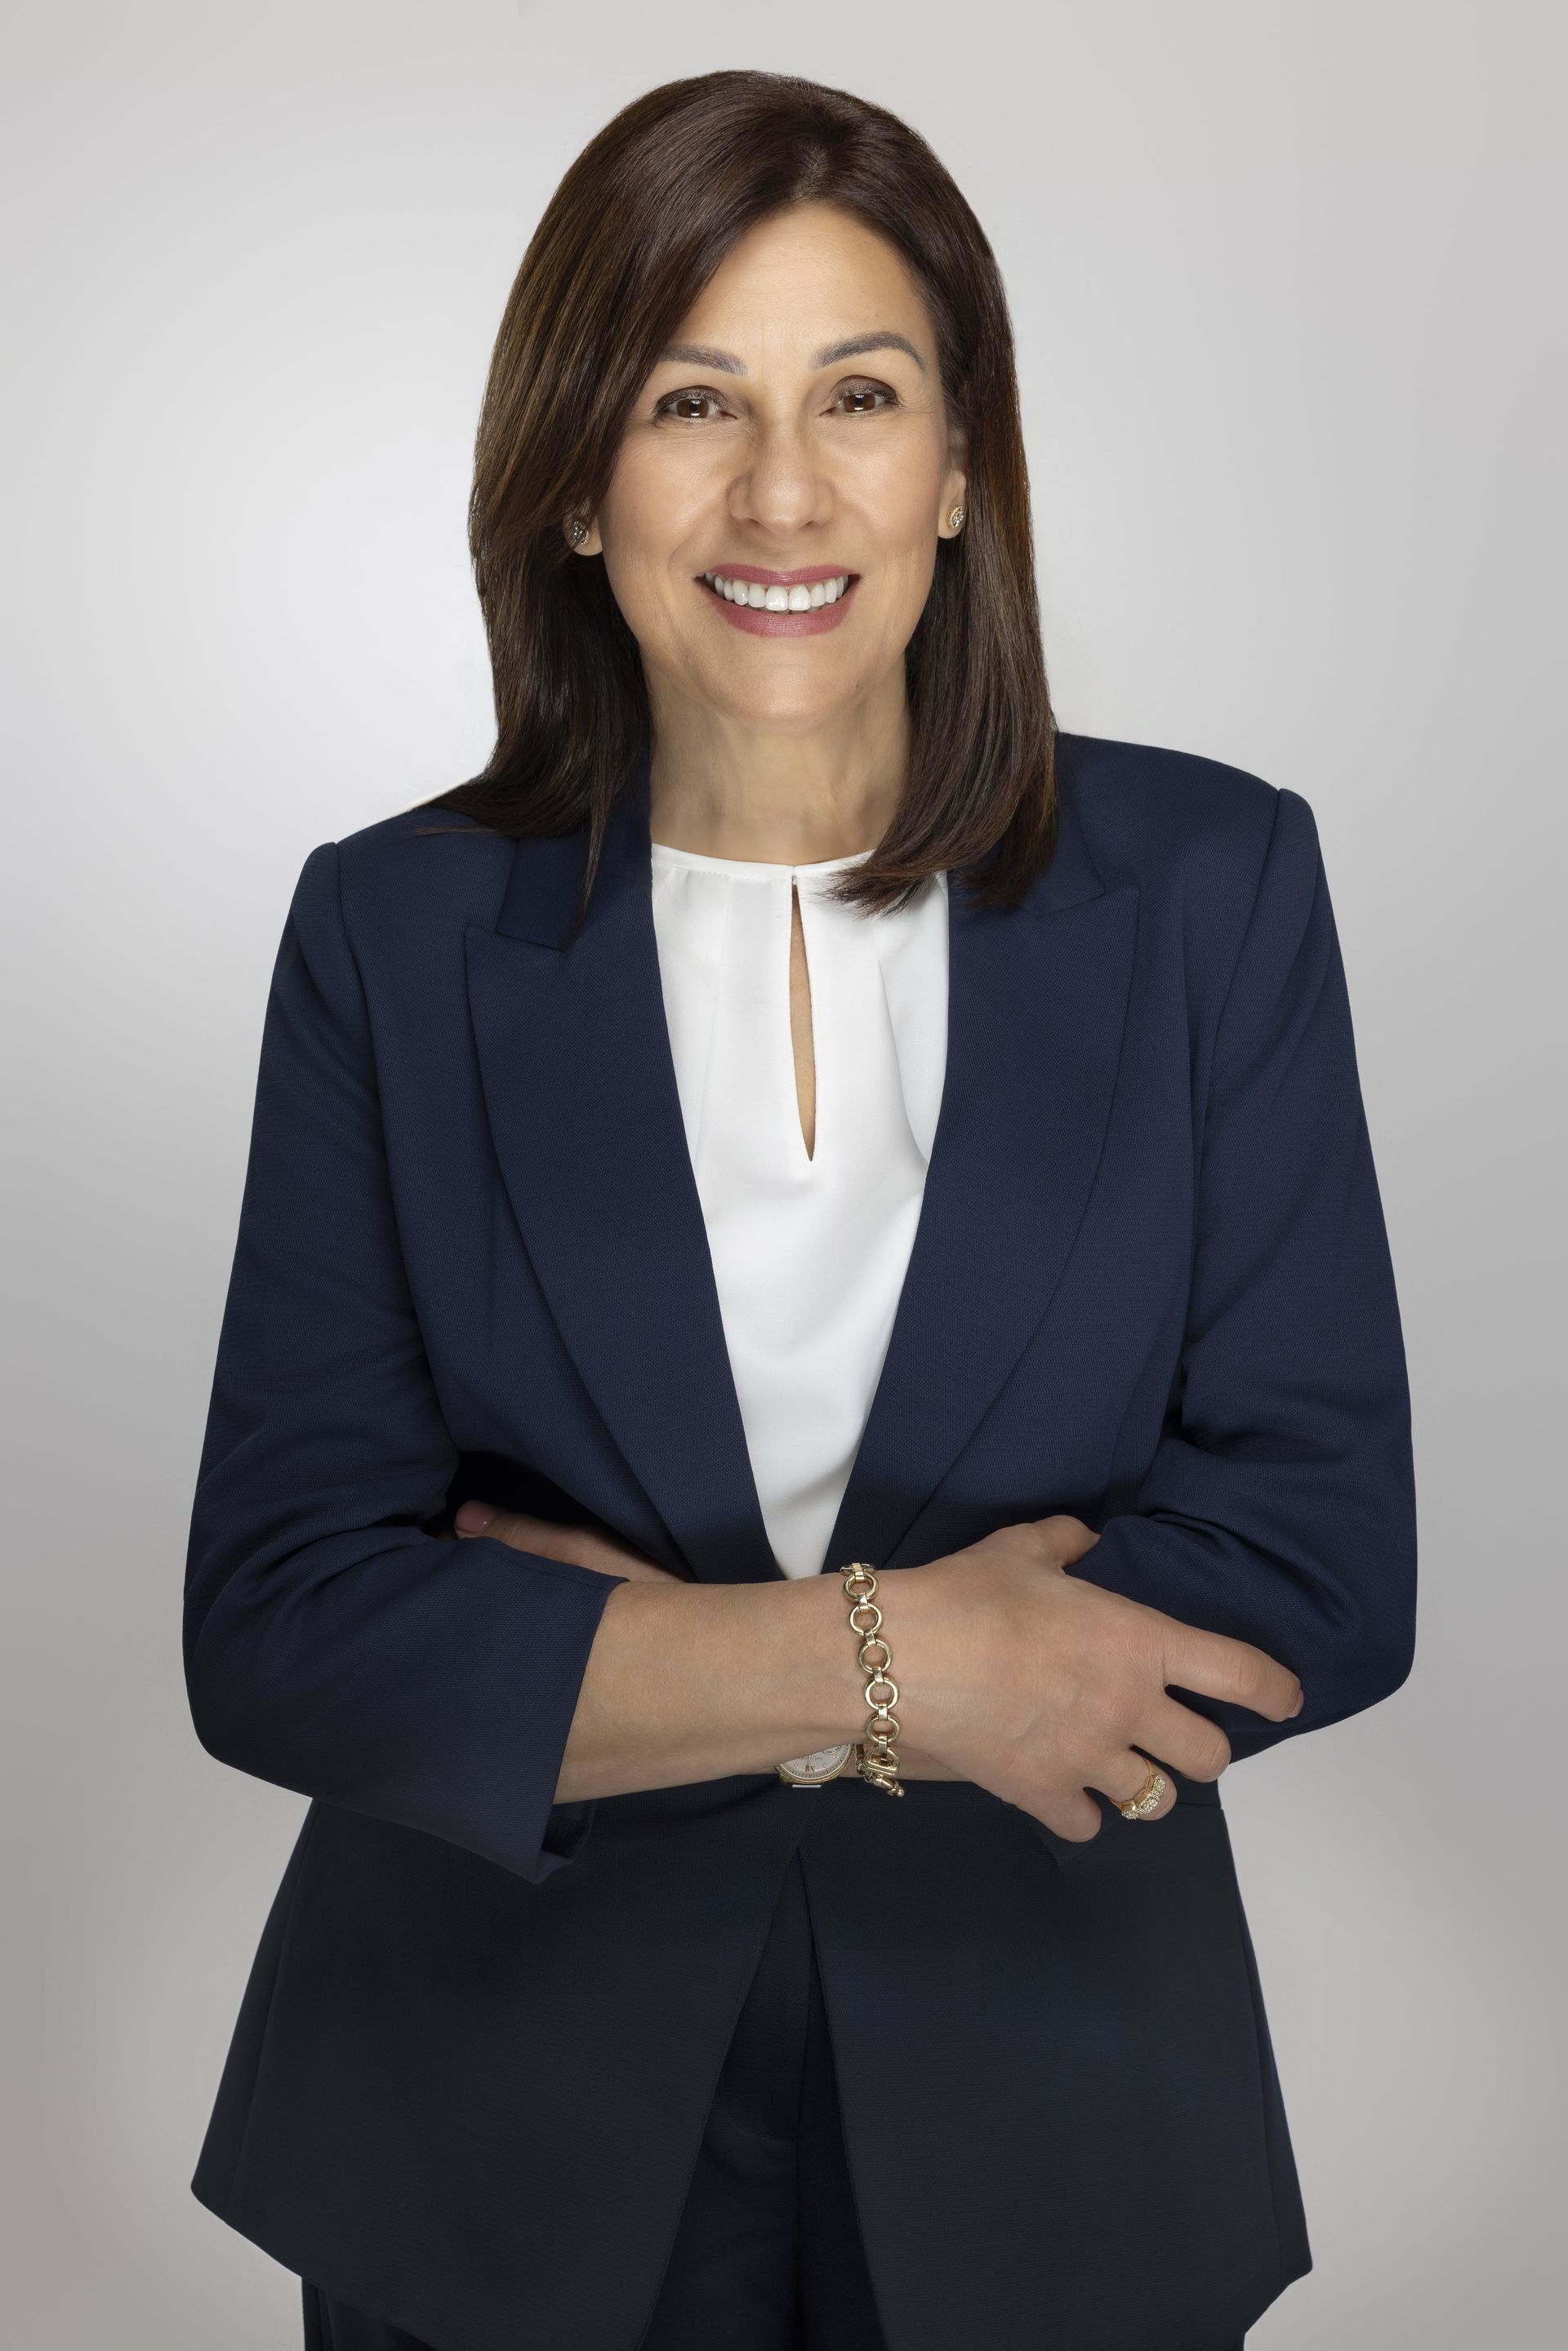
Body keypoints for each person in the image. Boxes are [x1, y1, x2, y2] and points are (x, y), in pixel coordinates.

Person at [181, 68, 1417, 2351]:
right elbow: (280, 1621)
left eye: (861, 394)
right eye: (688, 400)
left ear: (961, 468)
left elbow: (1322, 1561)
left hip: (1058, 2113)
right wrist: (903, 1662)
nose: (782, 490)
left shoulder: (1212, 885)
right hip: (488, 2134)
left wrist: (627, 1670)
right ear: (576, 480)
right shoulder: (392, 931)